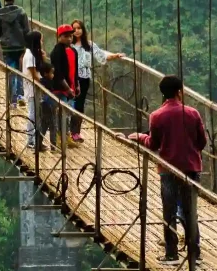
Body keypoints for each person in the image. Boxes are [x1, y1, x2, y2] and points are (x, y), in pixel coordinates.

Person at [128, 75, 207, 266]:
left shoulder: (156, 116)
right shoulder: (193, 113)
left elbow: (153, 144)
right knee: (191, 211)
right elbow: (202, 142)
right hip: (190, 169)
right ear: (180, 92)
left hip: (168, 169)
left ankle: (171, 254)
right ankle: (194, 253)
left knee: (169, 211)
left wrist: (140, 137)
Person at [69, 19, 124, 143]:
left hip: (84, 78)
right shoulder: (69, 45)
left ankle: (75, 132)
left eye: (79, 28)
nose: (76, 31)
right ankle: (67, 131)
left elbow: (102, 56)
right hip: (71, 78)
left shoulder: (89, 45)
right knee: (69, 103)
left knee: (79, 104)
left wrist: (115, 56)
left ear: (83, 30)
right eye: (74, 28)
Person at [0, 0, 30, 107]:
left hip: (7, 48)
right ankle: (20, 95)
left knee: (10, 72)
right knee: (19, 71)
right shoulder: (21, 12)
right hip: (20, 47)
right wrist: (28, 46)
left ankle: (12, 100)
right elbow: (26, 30)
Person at [49, 24, 82, 148]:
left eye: (70, 36)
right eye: (66, 36)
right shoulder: (56, 52)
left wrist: (77, 85)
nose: (69, 39)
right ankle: (58, 138)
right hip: (60, 88)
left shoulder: (73, 51)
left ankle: (66, 136)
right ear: (59, 37)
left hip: (71, 87)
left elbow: (75, 70)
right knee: (61, 113)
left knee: (67, 113)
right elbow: (58, 73)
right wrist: (67, 88)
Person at [22, 30, 50, 150]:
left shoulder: (32, 53)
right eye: (40, 40)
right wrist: (45, 85)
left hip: (34, 88)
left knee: (36, 114)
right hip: (33, 88)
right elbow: (34, 75)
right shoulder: (30, 56)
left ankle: (35, 140)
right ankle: (31, 140)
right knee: (33, 114)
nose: (42, 42)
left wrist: (42, 57)